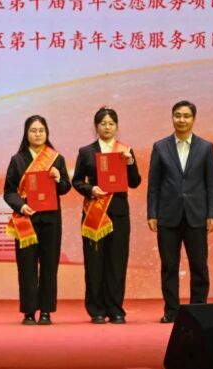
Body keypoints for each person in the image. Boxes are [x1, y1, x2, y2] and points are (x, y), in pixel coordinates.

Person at [148, 100, 213, 323]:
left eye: (186, 116)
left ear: (193, 119)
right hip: (167, 216)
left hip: (196, 216)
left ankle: (199, 311)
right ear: (172, 118)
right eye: (177, 115)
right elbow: (154, 184)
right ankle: (171, 311)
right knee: (169, 267)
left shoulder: (205, 147)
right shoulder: (160, 147)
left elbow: (212, 184)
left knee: (199, 266)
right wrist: (152, 213)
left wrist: (212, 213)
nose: (182, 120)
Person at [71, 107, 142, 324]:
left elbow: (135, 182)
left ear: (117, 126)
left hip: (119, 213)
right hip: (94, 212)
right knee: (94, 263)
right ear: (96, 126)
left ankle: (116, 309)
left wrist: (130, 163)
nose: (107, 127)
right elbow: (77, 181)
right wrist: (90, 189)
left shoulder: (125, 151)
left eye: (111, 123)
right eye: (103, 123)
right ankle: (96, 310)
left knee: (117, 262)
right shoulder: (86, 151)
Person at [3, 115, 72, 325]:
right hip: (26, 219)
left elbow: (65, 188)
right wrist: (20, 205)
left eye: (41, 130)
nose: (38, 134)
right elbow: (9, 191)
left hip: (51, 220)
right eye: (33, 131)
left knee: (49, 266)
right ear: (26, 134)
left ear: (47, 133)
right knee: (27, 267)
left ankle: (46, 311)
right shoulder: (17, 160)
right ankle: (28, 311)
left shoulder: (56, 159)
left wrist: (59, 178)